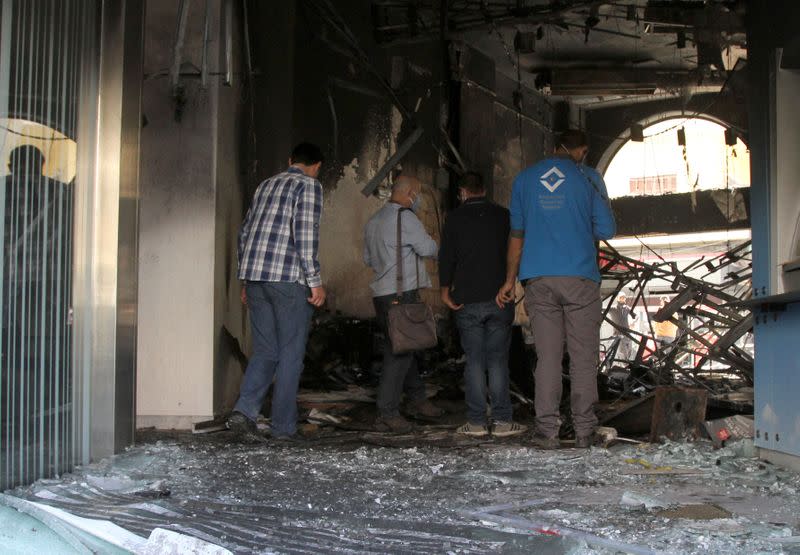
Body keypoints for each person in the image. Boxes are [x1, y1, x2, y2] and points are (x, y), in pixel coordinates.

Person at [496, 129, 616, 449]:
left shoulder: (524, 180)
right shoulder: (589, 178)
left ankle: (546, 432)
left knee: (547, 358)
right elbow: (607, 229)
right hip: (579, 278)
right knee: (582, 358)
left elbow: (516, 236)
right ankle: (584, 431)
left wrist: (509, 279)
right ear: (583, 151)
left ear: (552, 149)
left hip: (537, 279)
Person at [228, 143, 326, 441]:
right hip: (287, 280)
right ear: (317, 166)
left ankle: (244, 412)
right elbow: (305, 236)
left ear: (290, 160)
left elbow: (244, 232)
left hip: (256, 277)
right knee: (290, 356)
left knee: (266, 350)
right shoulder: (310, 187)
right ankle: (284, 428)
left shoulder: (265, 185)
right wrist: (315, 281)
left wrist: (245, 280)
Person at [439, 172, 526, 438]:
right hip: (499, 298)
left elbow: (446, 257)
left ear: (463, 192)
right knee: (498, 360)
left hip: (466, 300)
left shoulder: (454, 218)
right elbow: (516, 248)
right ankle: (501, 422)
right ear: (484, 189)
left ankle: (476, 423)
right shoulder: (503, 215)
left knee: (474, 361)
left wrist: (444, 290)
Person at [364, 176, 443, 433]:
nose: (417, 200)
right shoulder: (406, 218)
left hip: (382, 295)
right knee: (398, 354)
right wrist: (431, 238)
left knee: (402, 346)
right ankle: (387, 413)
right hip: (402, 295)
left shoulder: (374, 220)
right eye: (417, 194)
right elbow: (429, 249)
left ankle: (418, 399)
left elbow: (368, 258)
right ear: (410, 194)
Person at [607, 292, 637, 360]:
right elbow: (603, 310)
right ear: (618, 298)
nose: (623, 299)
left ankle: (627, 365)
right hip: (619, 334)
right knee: (623, 353)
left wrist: (633, 322)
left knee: (630, 351)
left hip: (627, 334)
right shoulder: (613, 308)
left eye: (624, 297)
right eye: (621, 297)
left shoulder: (627, 308)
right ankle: (625, 366)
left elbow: (636, 316)